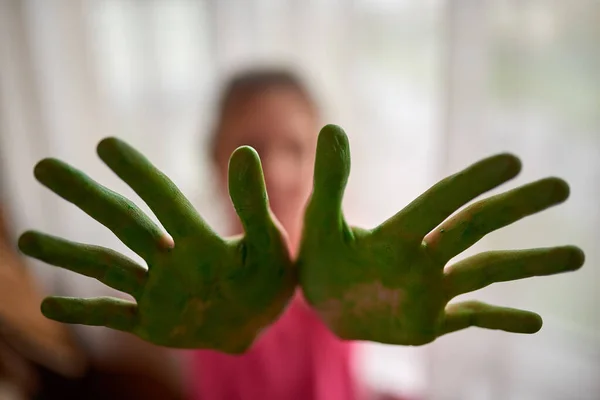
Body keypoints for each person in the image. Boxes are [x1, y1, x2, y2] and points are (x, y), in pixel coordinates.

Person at [190, 70, 361, 400]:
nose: (274, 173)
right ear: (215, 157)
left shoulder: (345, 267)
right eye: (250, 150)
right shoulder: (203, 284)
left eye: (295, 149)